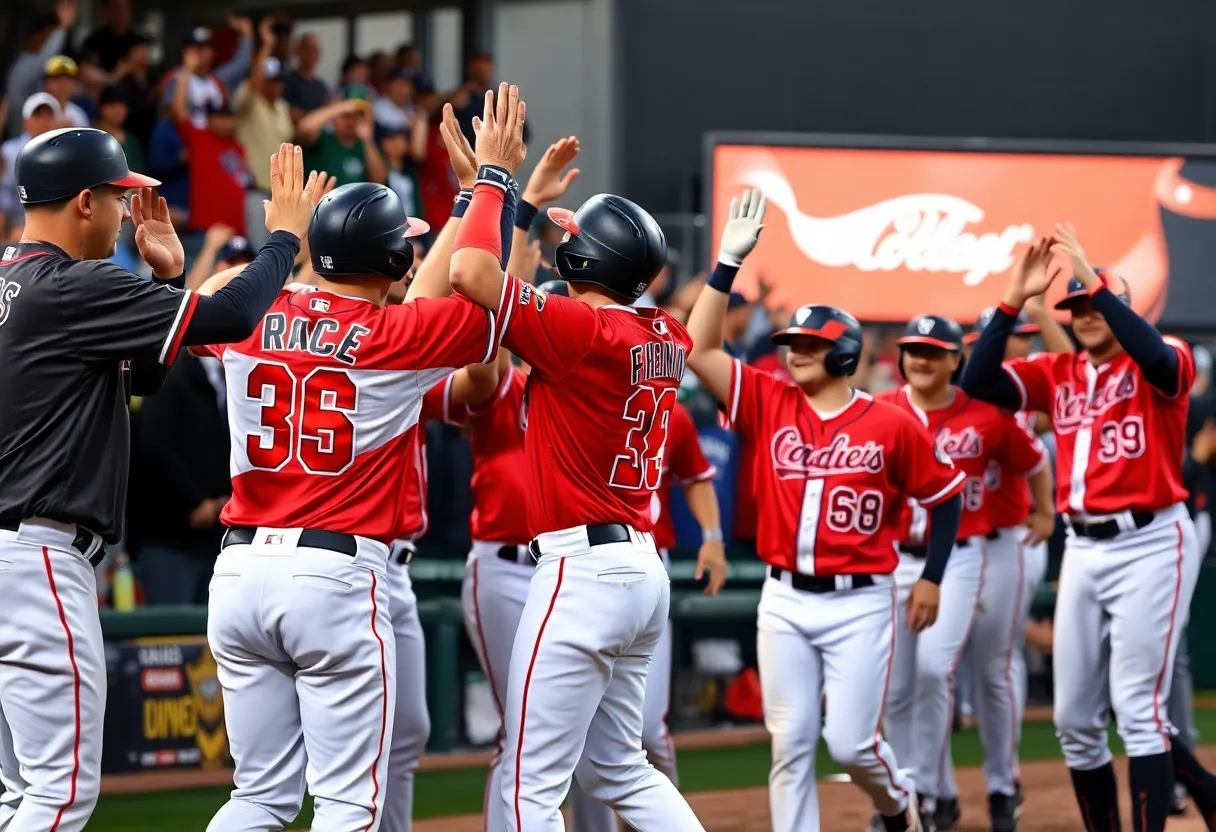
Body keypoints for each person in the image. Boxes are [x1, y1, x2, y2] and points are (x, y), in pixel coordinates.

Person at [0, 131, 313, 831]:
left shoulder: (19, 282)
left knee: (16, 793)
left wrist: (167, 283)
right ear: (85, 201)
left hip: (12, 553)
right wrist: (285, 242)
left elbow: (139, 372)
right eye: (116, 197)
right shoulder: (72, 284)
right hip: (36, 558)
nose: (123, 213)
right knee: (58, 794)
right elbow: (230, 316)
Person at [195, 151, 516, 829]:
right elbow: (485, 291)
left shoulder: (249, 312)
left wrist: (286, 242)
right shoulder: (396, 334)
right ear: (398, 264)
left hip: (241, 567)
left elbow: (220, 291)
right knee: (347, 804)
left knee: (256, 798)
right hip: (333, 575)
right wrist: (493, 186)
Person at [447, 82, 705, 831]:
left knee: (530, 783)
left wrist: (493, 183)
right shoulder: (663, 332)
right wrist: (524, 206)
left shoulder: (584, 334)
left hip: (580, 570)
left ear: (588, 257)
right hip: (639, 569)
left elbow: (471, 277)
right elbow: (528, 292)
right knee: (621, 768)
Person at [685, 190, 965, 832]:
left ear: (845, 351)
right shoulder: (767, 398)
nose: (795, 349)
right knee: (789, 745)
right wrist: (727, 262)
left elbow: (944, 500)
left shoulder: (890, 423)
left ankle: (899, 807)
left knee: (853, 746)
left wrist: (932, 577)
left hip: (861, 599)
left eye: (811, 342)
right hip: (785, 598)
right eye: (791, 340)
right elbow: (700, 351)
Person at [959, 229, 1211, 832]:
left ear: (1122, 310)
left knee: (1138, 709)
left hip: (1152, 540)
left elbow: (1152, 356)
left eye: (1098, 305)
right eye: (1076, 308)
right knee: (1074, 720)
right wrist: (1012, 302)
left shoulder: (1164, 357)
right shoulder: (1058, 370)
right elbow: (976, 383)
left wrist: (1098, 282)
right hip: (1083, 547)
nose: (1087, 315)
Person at [874, 314, 1052, 832]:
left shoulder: (987, 415)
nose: (921, 359)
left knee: (952, 669)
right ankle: (916, 795)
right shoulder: (881, 410)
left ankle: (952, 790)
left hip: (968, 552)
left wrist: (1044, 511)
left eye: (934, 350)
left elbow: (1034, 459)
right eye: (913, 349)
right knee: (897, 688)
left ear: (957, 360)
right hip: (894, 556)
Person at [5, 3, 76, 137]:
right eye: (48, 36)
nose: (49, 42)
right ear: (34, 37)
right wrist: (62, 28)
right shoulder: (24, 63)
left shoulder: (74, 111)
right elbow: (44, 59)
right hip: (21, 138)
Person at [298, 95, 387, 187]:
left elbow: (380, 180)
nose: (351, 121)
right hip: (321, 199)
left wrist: (368, 141)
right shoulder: (324, 138)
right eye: (346, 115)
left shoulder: (365, 146)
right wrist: (338, 108)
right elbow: (305, 129)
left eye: (356, 116)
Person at [283, 33, 330, 125]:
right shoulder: (288, 82)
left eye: (315, 50)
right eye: (308, 49)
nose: (311, 54)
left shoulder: (322, 88)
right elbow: (290, 114)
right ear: (298, 52)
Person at [41, 56, 91, 128]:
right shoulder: (34, 108)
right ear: (46, 82)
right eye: (56, 77)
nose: (62, 83)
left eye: (67, 78)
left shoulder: (79, 115)